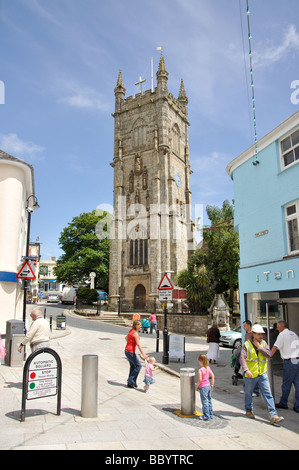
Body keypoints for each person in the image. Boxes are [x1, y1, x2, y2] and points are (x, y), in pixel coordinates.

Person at [240, 324, 284, 425]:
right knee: (248, 394)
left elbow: (269, 355)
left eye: (262, 334)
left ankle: (273, 415)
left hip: (262, 373)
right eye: (259, 334)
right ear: (253, 334)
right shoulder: (246, 345)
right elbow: (242, 359)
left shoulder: (263, 344)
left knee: (268, 394)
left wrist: (259, 347)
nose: (261, 336)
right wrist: (246, 370)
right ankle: (249, 410)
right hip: (251, 374)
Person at [270, 320, 299, 413]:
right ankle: (297, 405)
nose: (277, 329)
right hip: (296, 359)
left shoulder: (282, 335)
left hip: (289, 361)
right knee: (297, 383)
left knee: (286, 383)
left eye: (278, 327)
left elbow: (275, 347)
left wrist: (269, 355)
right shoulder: (293, 334)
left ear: (282, 327)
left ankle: (283, 402)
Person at [125, 320, 148, 388]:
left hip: (127, 350)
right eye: (139, 325)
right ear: (136, 325)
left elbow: (126, 338)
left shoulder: (131, 331)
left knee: (133, 366)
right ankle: (131, 380)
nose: (140, 326)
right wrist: (143, 354)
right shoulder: (135, 333)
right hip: (130, 351)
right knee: (138, 365)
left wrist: (130, 343)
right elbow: (138, 345)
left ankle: (131, 383)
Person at [196, 354, 215, 421]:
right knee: (209, 400)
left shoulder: (200, 370)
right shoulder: (208, 368)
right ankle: (210, 414)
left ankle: (206, 416)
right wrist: (212, 385)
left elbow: (200, 379)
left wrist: (197, 386)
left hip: (203, 387)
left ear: (201, 361)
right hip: (208, 385)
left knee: (204, 401)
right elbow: (213, 376)